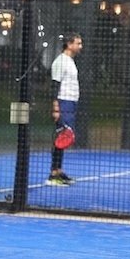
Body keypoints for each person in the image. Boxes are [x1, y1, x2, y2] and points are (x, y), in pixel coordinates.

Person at [46, 33, 83, 186]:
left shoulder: (70, 61)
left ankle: (59, 171)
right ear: (69, 44)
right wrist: (56, 107)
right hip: (63, 103)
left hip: (71, 103)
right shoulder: (60, 61)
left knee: (65, 137)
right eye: (78, 43)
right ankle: (53, 174)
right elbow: (55, 85)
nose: (80, 46)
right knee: (61, 136)